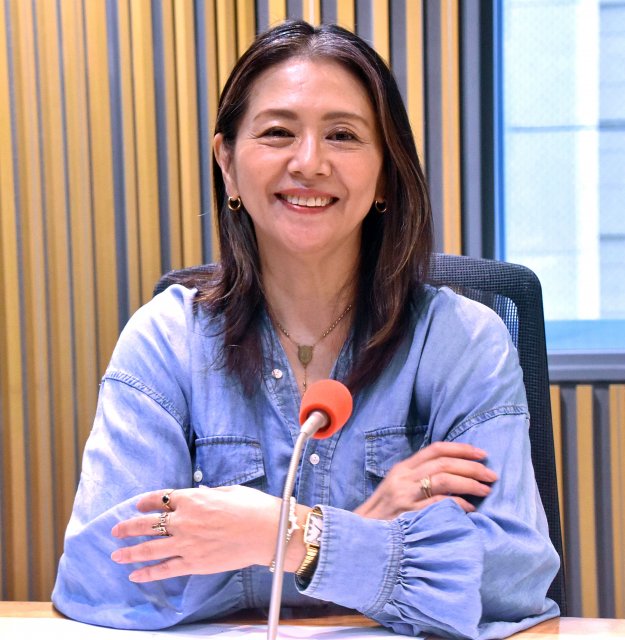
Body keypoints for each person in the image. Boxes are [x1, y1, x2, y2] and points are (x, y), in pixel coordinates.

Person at [52, 20, 559, 639]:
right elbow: (104, 577)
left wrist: (281, 534)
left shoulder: (463, 341)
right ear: (228, 164)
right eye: (278, 132)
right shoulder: (166, 339)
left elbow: (509, 578)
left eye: (343, 135)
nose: (309, 162)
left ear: (385, 172)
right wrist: (354, 530)